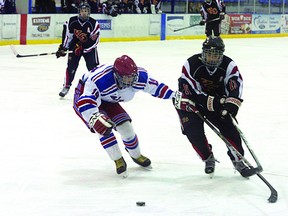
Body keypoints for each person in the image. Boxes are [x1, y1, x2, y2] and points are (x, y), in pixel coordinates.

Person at [73, 55, 175, 176]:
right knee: (103, 129)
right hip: (86, 101)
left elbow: (156, 87)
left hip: (108, 99)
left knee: (126, 128)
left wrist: (174, 95)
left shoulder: (138, 77)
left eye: (133, 76)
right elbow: (86, 100)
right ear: (117, 75)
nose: (131, 80)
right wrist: (93, 116)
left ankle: (136, 155)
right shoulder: (100, 80)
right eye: (127, 77)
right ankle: (117, 158)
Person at [173, 36, 254, 178]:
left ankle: (238, 160)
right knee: (193, 132)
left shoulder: (229, 65)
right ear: (203, 53)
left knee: (230, 130)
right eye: (208, 54)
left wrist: (231, 105)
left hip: (218, 102)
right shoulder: (191, 64)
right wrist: (215, 103)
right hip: (191, 103)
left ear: (221, 55)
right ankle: (207, 157)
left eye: (215, 55)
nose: (211, 58)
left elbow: (235, 85)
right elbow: (191, 92)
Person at [56, 1, 100, 97]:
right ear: (79, 12)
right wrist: (64, 48)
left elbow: (95, 41)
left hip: (90, 49)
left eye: (86, 11)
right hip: (74, 47)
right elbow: (68, 36)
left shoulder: (94, 23)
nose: (84, 13)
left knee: (94, 69)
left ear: (89, 12)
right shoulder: (71, 21)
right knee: (71, 67)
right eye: (82, 11)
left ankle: (97, 86)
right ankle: (67, 85)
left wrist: (83, 49)